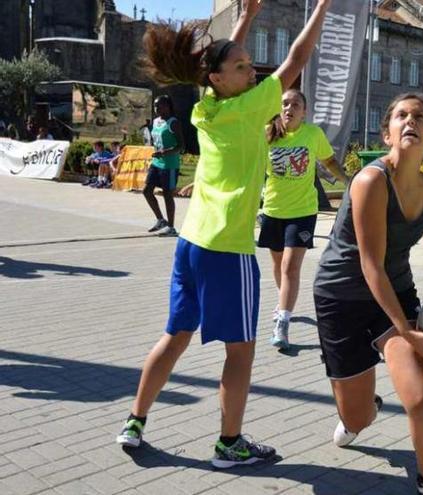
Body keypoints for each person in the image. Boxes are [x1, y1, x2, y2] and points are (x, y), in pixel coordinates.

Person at [114, 0, 331, 469]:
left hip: (190, 243)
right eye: (242, 67)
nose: (251, 72)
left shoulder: (206, 107)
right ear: (217, 77)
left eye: (250, 65)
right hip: (228, 250)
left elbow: (222, 58)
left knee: (175, 336)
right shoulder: (251, 110)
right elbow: (298, 57)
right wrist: (324, 7)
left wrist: (246, 19)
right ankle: (229, 444)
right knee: (241, 351)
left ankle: (135, 421)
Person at [313, 93, 423, 495]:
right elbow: (370, 264)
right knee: (356, 419)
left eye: (419, 116)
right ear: (387, 132)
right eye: (401, 115)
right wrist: (407, 334)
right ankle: (365, 408)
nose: (410, 121)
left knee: (421, 397)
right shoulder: (371, 180)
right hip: (341, 297)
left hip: (396, 293)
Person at [260, 88, 346, 349]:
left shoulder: (312, 134)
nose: (289, 108)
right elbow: (248, 165)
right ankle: (283, 302)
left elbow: (330, 162)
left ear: (304, 111)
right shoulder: (267, 134)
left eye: (295, 104)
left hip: (303, 211)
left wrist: (350, 182)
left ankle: (282, 323)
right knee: (278, 266)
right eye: (285, 103)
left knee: (289, 267)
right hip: (273, 210)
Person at [144, 95, 185, 237]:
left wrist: (164, 152)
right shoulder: (156, 122)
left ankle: (172, 227)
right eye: (155, 106)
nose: (157, 109)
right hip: (156, 163)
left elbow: (181, 146)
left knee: (167, 195)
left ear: (168, 106)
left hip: (169, 164)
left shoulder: (173, 123)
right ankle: (161, 219)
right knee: (146, 190)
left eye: (160, 106)